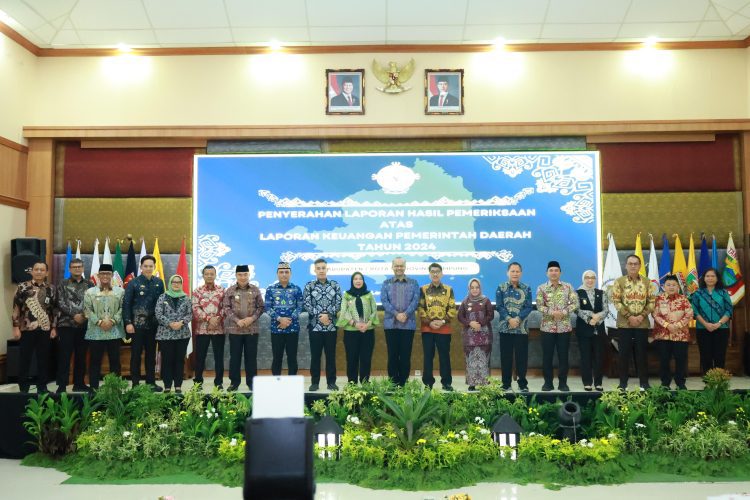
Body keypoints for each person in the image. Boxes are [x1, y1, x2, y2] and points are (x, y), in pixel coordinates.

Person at [610, 254, 656, 390]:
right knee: (623, 354)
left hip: (642, 324)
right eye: (630, 263)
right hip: (624, 324)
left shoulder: (647, 282)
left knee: (641, 354)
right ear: (626, 266)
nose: (633, 266)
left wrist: (641, 316)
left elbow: (652, 302)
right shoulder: (619, 282)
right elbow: (616, 301)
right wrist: (629, 316)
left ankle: (644, 383)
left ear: (640, 266)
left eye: (636, 263)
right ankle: (623, 383)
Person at [12, 261, 57, 394]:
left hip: (45, 329)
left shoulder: (51, 288)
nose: (38, 272)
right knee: (25, 358)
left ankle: (42, 387)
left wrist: (54, 328)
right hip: (26, 329)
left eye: (42, 270)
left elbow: (54, 310)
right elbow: (16, 308)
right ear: (32, 271)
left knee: (43, 359)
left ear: (46, 273)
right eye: (36, 269)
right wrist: (15, 327)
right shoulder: (22, 287)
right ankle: (23, 388)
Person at [123, 254, 165, 391]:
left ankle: (150, 383)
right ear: (141, 267)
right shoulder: (133, 283)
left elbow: (162, 303)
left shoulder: (159, 283)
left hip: (153, 325)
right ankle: (135, 384)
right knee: (136, 355)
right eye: (145, 266)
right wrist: (128, 322)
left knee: (151, 355)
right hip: (137, 325)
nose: (148, 268)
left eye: (150, 266)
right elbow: (126, 304)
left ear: (154, 267)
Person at [536, 261, 578, 392]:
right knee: (547, 356)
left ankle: (563, 383)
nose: (553, 273)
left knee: (563, 356)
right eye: (551, 270)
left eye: (556, 270)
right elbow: (539, 305)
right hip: (547, 328)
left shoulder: (568, 287)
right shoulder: (541, 288)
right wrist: (552, 313)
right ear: (547, 273)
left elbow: (575, 303)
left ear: (560, 272)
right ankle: (548, 383)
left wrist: (563, 312)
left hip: (564, 327)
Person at [223, 265, 265, 391]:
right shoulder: (230, 290)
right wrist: (237, 320)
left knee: (251, 358)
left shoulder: (255, 289)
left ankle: (252, 383)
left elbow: (261, 307)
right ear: (236, 276)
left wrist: (252, 318)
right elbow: (226, 307)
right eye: (240, 275)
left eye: (245, 274)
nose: (243, 277)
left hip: (252, 329)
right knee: (234, 358)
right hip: (235, 329)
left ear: (249, 275)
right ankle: (234, 383)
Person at [83, 264, 125, 390]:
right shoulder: (90, 292)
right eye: (103, 273)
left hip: (114, 331)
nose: (105, 276)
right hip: (95, 332)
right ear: (98, 275)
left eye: (108, 273)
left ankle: (114, 389)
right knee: (95, 361)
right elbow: (87, 310)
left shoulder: (120, 291)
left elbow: (123, 308)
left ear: (112, 275)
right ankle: (93, 389)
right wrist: (99, 322)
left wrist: (112, 321)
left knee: (115, 361)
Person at [55, 258, 93, 393]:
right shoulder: (63, 283)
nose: (77, 269)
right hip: (66, 325)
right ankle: (62, 385)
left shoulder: (90, 284)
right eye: (74, 267)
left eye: (79, 266)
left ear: (83, 268)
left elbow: (92, 303)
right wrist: (74, 315)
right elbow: (60, 302)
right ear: (70, 269)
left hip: (84, 325)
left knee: (81, 356)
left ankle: (79, 383)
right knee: (64, 356)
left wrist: (83, 316)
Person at [303, 258, 342, 391]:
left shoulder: (335, 285)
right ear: (315, 270)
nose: (321, 270)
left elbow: (338, 303)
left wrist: (328, 316)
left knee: (331, 356)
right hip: (315, 327)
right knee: (315, 357)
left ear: (327, 269)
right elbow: (307, 304)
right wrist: (320, 316)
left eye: (323, 268)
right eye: (318, 268)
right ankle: (315, 382)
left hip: (331, 327)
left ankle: (331, 382)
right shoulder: (309, 286)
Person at [380, 257, 420, 386]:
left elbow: (416, 300)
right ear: (392, 267)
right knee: (392, 355)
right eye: (396, 266)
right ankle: (393, 383)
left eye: (401, 266)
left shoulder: (414, 283)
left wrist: (405, 314)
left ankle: (403, 383)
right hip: (391, 325)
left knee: (405, 355)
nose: (399, 268)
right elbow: (384, 301)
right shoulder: (386, 283)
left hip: (408, 325)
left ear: (405, 267)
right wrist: (397, 314)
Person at [496, 262, 533, 392]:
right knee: (505, 357)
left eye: (517, 271)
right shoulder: (501, 287)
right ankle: (506, 384)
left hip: (521, 329)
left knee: (521, 357)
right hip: (505, 328)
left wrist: (517, 319)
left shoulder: (526, 288)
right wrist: (509, 319)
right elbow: (499, 306)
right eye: (512, 271)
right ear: (508, 273)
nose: (515, 273)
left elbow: (529, 306)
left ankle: (522, 384)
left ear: (521, 273)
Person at [418, 262, 456, 391]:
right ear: (429, 274)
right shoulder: (423, 289)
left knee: (444, 357)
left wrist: (442, 321)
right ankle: (428, 383)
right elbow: (420, 308)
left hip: (444, 329)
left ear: (442, 274)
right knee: (428, 357)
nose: (435, 274)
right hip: (427, 329)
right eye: (433, 272)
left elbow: (452, 309)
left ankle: (446, 383)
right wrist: (430, 322)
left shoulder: (449, 289)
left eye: (437, 272)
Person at [651, 274, 694, 390]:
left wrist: (677, 325)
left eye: (674, 285)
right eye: (668, 285)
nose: (671, 287)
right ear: (664, 286)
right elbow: (655, 314)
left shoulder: (683, 299)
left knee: (681, 360)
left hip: (681, 336)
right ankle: (665, 383)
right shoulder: (659, 299)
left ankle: (680, 383)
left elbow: (689, 314)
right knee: (664, 360)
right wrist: (667, 325)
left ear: (678, 287)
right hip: (663, 336)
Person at [337, 272, 378, 384]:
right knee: (351, 358)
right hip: (351, 332)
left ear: (363, 281)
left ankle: (365, 382)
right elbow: (343, 311)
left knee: (366, 358)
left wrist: (367, 324)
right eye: (355, 279)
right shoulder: (347, 295)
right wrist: (355, 324)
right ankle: (352, 383)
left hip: (367, 331)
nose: (358, 281)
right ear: (352, 281)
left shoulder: (369, 294)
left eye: (360, 279)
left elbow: (374, 310)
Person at [691, 267, 733, 374]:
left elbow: (729, 310)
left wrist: (719, 323)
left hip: (721, 329)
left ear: (717, 278)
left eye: (713, 276)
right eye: (707, 276)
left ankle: (719, 382)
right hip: (703, 329)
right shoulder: (697, 293)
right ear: (704, 278)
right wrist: (705, 324)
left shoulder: (723, 292)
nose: (710, 278)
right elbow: (694, 311)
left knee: (720, 357)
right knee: (706, 357)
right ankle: (708, 382)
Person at [265, 262, 304, 376]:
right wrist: (279, 319)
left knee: (292, 357)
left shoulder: (296, 289)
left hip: (292, 328)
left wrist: (288, 320)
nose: (284, 274)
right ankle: (276, 382)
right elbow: (267, 307)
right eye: (281, 272)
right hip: (276, 328)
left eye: (286, 272)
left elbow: (300, 307)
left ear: (290, 274)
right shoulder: (270, 289)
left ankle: (292, 382)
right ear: (277, 274)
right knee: (277, 357)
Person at [155, 275, 192, 393]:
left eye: (179, 282)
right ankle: (167, 385)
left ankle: (178, 385)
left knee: (179, 360)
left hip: (182, 334)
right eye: (174, 282)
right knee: (167, 360)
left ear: (181, 284)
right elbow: (158, 313)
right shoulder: (162, 297)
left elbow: (190, 314)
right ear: (170, 283)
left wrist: (181, 322)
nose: (176, 284)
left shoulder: (186, 298)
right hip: (165, 334)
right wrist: (170, 323)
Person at [192, 265, 226, 389]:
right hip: (202, 329)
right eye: (207, 274)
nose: (209, 276)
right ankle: (198, 383)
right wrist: (208, 319)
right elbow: (195, 308)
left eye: (212, 274)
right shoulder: (197, 291)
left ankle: (218, 383)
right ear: (203, 275)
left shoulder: (222, 290)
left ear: (215, 275)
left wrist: (217, 319)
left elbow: (226, 307)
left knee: (219, 357)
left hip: (219, 328)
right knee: (200, 357)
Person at [457, 278, 494, 391]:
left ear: (480, 288)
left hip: (484, 336)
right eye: (472, 287)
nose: (474, 289)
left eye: (477, 287)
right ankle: (472, 384)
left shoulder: (486, 300)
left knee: (484, 360)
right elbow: (460, 316)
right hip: (470, 338)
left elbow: (490, 315)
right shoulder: (465, 301)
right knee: (471, 360)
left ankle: (484, 383)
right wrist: (470, 323)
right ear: (469, 288)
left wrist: (480, 324)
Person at [575, 270, 608, 391]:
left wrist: (597, 318)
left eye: (593, 277)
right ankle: (587, 382)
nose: (590, 280)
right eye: (587, 277)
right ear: (583, 279)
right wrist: (590, 318)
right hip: (584, 330)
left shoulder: (601, 293)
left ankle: (598, 383)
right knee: (585, 357)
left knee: (599, 357)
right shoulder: (577, 293)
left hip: (599, 330)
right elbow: (577, 309)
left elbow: (606, 310)